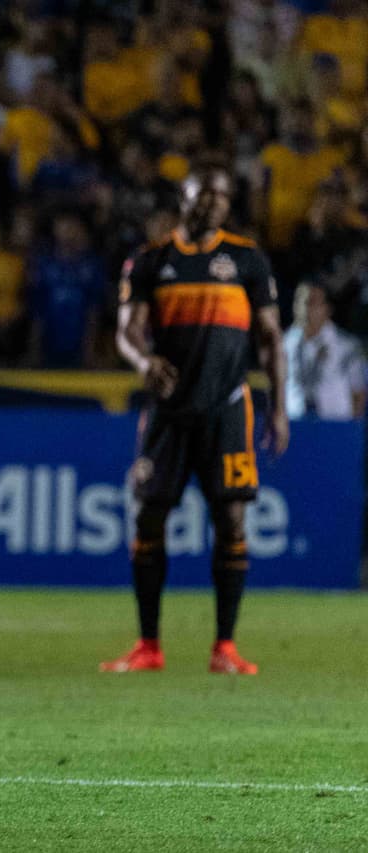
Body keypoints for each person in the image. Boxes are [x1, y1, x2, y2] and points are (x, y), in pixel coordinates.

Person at [103, 165, 288, 676]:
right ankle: (148, 646)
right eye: (202, 194)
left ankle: (224, 647)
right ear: (182, 199)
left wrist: (280, 407)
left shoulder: (247, 260)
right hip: (167, 412)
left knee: (232, 520)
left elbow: (271, 339)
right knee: (148, 518)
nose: (211, 203)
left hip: (227, 407)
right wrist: (143, 362)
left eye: (221, 196)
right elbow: (126, 331)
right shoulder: (150, 260)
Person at [284, 281, 366, 420]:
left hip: (335, 427)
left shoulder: (346, 346)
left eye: (312, 303)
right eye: (301, 302)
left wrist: (349, 431)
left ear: (327, 309)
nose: (305, 309)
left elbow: (359, 394)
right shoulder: (285, 344)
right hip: (296, 426)